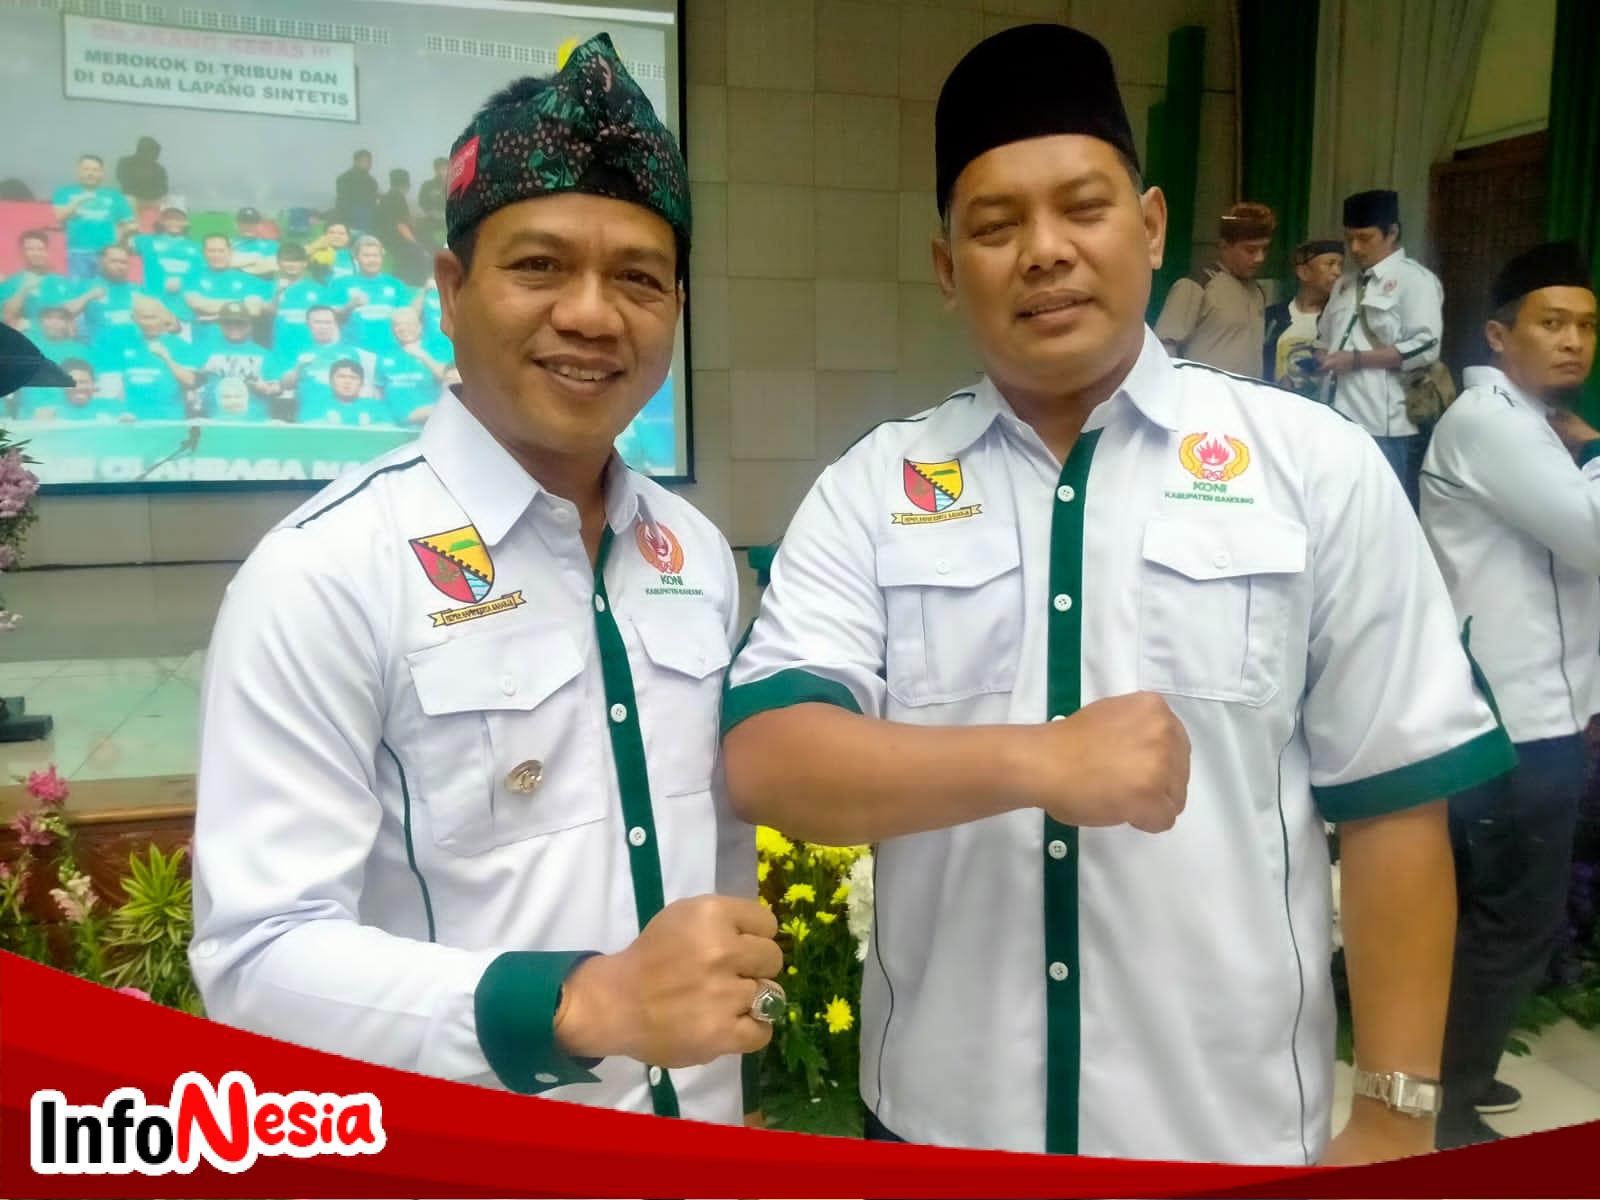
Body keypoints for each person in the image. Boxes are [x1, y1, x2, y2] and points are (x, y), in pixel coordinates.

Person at [721, 22, 1513, 1165]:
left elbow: (1393, 796)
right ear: (946, 270)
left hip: (1223, 1136)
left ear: (1147, 227)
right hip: (941, 1135)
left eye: (1082, 209)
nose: (1044, 251)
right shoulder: (876, 487)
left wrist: (1393, 1114)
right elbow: (772, 760)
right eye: (995, 225)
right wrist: (1036, 761)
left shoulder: (1310, 466)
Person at [190, 34, 774, 1127]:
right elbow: (255, 959)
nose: (592, 314)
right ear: (452, 291)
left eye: (638, 278)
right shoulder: (326, 574)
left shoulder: (692, 554)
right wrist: (574, 1005)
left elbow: (720, 859)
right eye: (539, 266)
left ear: (677, 308)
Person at [1418, 240, 1599, 1149]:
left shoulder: (1526, 424)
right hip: (1512, 718)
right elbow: (1594, 537)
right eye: (1551, 322)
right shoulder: (1493, 423)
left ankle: (1461, 1072)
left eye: (1587, 326)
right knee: (1510, 917)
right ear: (1498, 336)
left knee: (1501, 910)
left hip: (1536, 709)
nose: (1573, 342)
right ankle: (1446, 1108)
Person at [1315, 189, 1444, 509]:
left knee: (1381, 511)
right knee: (1336, 508)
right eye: (1349, 239)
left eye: (1365, 238)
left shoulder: (1415, 280)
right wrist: (1318, 359)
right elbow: (1324, 339)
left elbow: (1425, 346)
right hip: (1334, 417)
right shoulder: (1344, 285)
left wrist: (1356, 360)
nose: (1355, 248)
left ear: (1392, 232)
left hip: (1384, 426)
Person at [1153, 202, 1275, 377]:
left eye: (1265, 249)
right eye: (1250, 250)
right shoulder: (1197, 286)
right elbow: (1164, 349)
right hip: (1202, 391)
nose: (1259, 258)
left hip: (1247, 391)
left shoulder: (1257, 292)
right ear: (1224, 246)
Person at [1265, 239, 1344, 396]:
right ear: (1304, 272)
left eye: (1340, 265)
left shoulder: (1341, 320)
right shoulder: (1273, 317)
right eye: (1330, 264)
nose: (1337, 272)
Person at [97, 294, 195, 420]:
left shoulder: (180, 347)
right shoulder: (123, 346)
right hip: (133, 422)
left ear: (163, 317)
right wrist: (120, 413)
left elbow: (191, 382)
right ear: (134, 318)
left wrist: (166, 358)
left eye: (154, 317)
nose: (150, 323)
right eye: (145, 318)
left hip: (169, 421)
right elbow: (113, 389)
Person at [51, 154, 135, 280]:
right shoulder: (64, 192)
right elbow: (60, 216)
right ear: (78, 171)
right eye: (86, 169)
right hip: (78, 253)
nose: (90, 173)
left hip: (107, 255)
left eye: (95, 170)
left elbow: (129, 224)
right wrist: (78, 201)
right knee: (80, 288)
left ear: (102, 173)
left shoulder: (114, 195)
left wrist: (119, 245)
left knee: (106, 288)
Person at [185, 234, 270, 354]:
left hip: (242, 351)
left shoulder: (247, 279)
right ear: (204, 253)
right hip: (204, 347)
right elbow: (198, 304)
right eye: (212, 251)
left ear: (230, 252)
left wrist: (214, 315)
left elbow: (254, 310)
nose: (216, 255)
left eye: (221, 251)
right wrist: (240, 306)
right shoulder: (193, 276)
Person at [196, 302, 275, 421]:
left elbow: (276, 387)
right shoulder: (206, 351)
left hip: (254, 421)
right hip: (215, 420)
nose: (234, 326)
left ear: (250, 325)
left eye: (240, 323)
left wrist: (266, 388)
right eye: (228, 322)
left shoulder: (264, 354)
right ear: (220, 325)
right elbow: (192, 384)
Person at [334, 235, 413, 353]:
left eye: (376, 256)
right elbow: (331, 319)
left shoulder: (396, 285)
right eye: (366, 256)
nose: (372, 260)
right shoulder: (341, 284)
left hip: (391, 349)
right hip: (354, 349)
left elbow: (407, 318)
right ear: (356, 258)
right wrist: (350, 306)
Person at [132, 206, 203, 330]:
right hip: (154, 311)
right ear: (161, 221)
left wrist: (183, 282)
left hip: (183, 311)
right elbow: (119, 245)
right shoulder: (146, 241)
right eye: (169, 218)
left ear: (186, 222)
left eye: (178, 219)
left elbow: (200, 274)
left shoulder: (197, 247)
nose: (174, 222)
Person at [376, 307, 449, 425]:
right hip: (393, 422)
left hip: (428, 421)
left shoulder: (435, 350)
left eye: (409, 324)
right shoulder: (385, 355)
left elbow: (449, 378)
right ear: (392, 330)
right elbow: (379, 391)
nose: (403, 328)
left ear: (420, 327)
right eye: (398, 325)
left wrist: (423, 356)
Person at [1, 230, 80, 331]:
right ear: (22, 252)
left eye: (40, 249)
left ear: (47, 251)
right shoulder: (12, 283)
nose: (36, 253)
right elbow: (6, 317)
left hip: (58, 338)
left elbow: (71, 317)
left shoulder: (61, 281)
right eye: (30, 249)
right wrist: (24, 290)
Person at [268, 242, 334, 357]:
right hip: (281, 349)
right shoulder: (269, 287)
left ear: (305, 263)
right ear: (278, 262)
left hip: (312, 349)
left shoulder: (319, 289)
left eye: (296, 260)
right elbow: (267, 316)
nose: (292, 264)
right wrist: (277, 293)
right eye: (287, 260)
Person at [15, 356, 123, 422]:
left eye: (83, 382)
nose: (78, 388)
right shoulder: (48, 413)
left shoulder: (112, 409)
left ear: (93, 384)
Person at [80, 244, 142, 350]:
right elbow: (65, 314)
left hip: (136, 347)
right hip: (101, 349)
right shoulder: (86, 287)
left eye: (124, 262)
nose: (120, 266)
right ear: (101, 262)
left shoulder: (138, 290)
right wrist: (87, 297)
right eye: (114, 261)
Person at [377, 168, 426, 285]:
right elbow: (401, 225)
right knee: (418, 254)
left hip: (384, 238)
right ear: (406, 185)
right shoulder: (397, 198)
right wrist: (416, 244)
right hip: (394, 241)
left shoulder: (386, 198)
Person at [115, 136, 168, 216]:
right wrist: (146, 182)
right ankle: (131, 222)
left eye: (157, 152)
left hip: (154, 199)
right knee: (128, 199)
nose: (156, 155)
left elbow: (164, 189)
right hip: (133, 198)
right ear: (141, 150)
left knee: (169, 204)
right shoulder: (126, 162)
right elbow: (122, 179)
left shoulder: (159, 169)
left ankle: (163, 223)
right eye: (152, 151)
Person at [334, 149, 379, 232]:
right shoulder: (344, 178)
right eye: (365, 161)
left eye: (370, 162)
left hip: (368, 220)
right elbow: (342, 201)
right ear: (356, 162)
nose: (369, 164)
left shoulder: (371, 181)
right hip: (350, 217)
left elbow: (373, 201)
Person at [232, 208, 280, 278]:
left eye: (252, 223)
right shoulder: (229, 244)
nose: (248, 226)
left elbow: (274, 266)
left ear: (260, 226)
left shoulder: (272, 245)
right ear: (236, 225)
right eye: (244, 223)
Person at [417, 155, 450, 250]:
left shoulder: (455, 183)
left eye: (446, 167)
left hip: (451, 222)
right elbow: (422, 202)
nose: (445, 171)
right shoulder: (428, 185)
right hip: (434, 224)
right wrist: (432, 212)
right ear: (436, 170)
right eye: (442, 168)